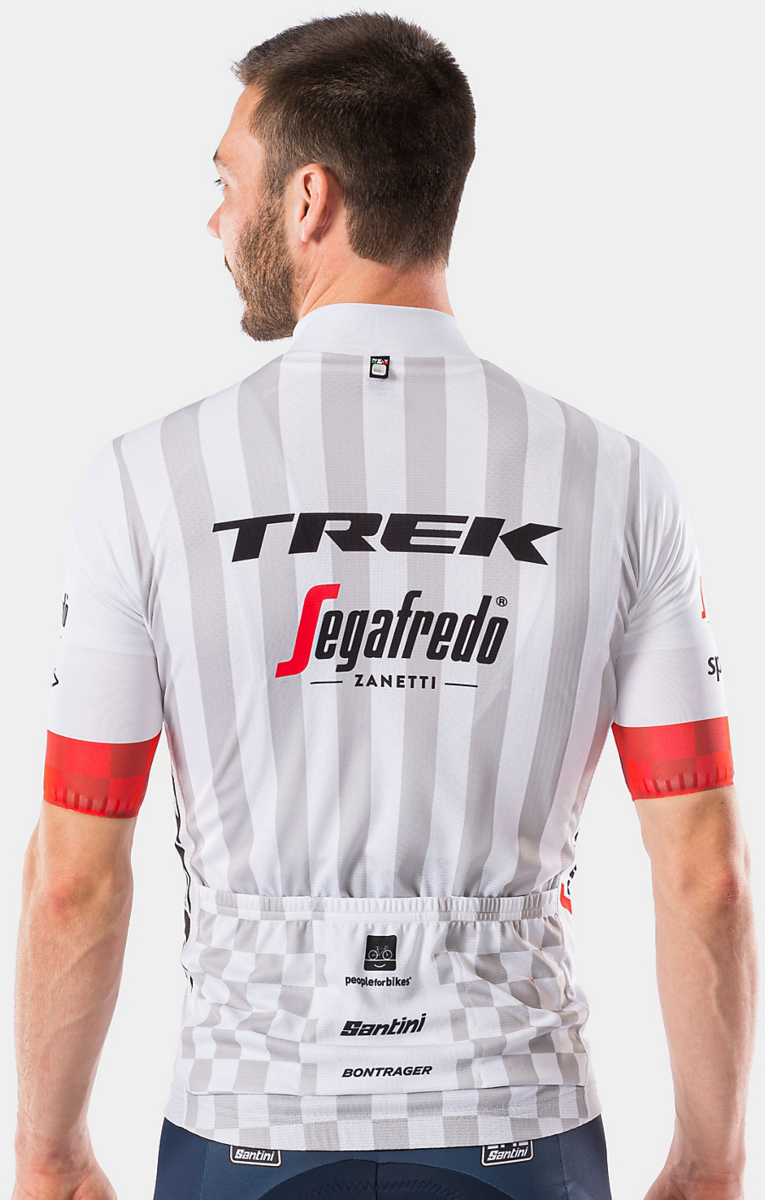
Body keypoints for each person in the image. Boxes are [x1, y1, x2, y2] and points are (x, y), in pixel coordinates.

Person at [13, 12, 757, 1200]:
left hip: (245, 1129)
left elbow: (73, 873)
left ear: (309, 198)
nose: (215, 218)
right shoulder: (620, 481)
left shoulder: (145, 478)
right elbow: (705, 869)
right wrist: (711, 1165)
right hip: (520, 1127)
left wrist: (50, 1156)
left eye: (228, 181)